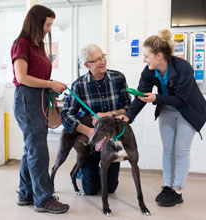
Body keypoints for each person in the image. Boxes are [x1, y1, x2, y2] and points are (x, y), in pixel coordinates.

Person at [118, 29, 206, 207]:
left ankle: (177, 190)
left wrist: (156, 98)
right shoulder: (149, 71)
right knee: (168, 149)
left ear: (159, 55)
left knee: (181, 150)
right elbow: (141, 96)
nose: (144, 59)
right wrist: (128, 116)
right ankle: (168, 186)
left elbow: (181, 99)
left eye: (146, 56)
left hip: (188, 110)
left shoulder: (183, 68)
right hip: (167, 109)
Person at [11, 5, 69, 214]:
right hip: (27, 99)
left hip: (40, 99)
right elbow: (22, 78)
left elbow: (39, 76)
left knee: (31, 149)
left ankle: (25, 194)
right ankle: (43, 199)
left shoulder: (38, 46)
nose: (49, 29)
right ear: (36, 22)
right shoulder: (21, 44)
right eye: (47, 24)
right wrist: (49, 84)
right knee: (39, 151)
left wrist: (52, 83)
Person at [61, 44, 131, 195]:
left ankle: (100, 169)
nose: (102, 62)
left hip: (113, 142)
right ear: (86, 65)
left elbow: (128, 106)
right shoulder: (79, 85)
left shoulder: (118, 78)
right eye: (97, 60)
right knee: (91, 190)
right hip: (92, 143)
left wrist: (110, 113)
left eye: (103, 57)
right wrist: (87, 130)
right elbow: (66, 115)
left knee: (110, 189)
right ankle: (84, 171)